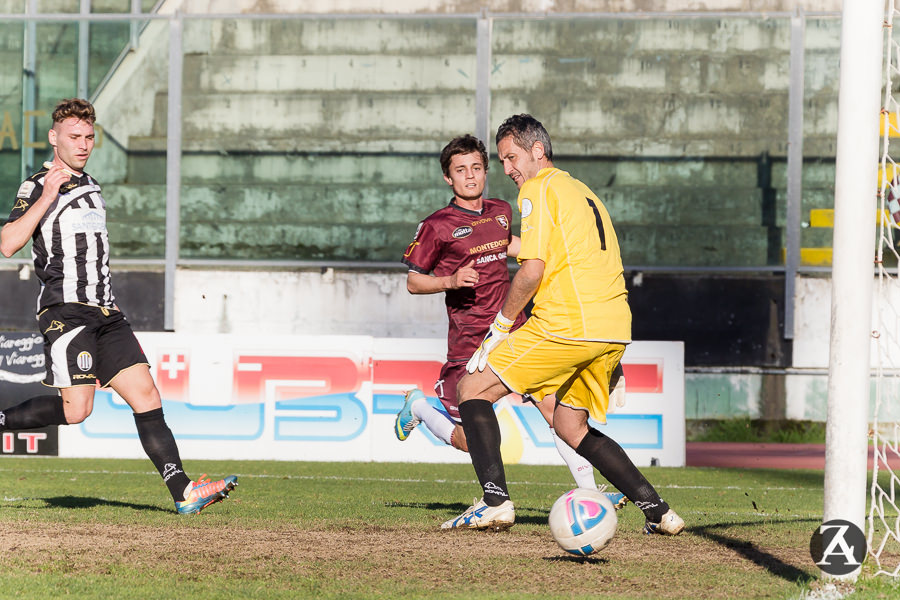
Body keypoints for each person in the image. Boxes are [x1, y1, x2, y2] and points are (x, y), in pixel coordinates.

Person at [442, 115, 684, 535]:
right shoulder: (581, 190)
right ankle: (659, 512)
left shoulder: (538, 189)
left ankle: (494, 501)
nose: (507, 169)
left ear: (538, 151)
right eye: (501, 161)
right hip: (612, 325)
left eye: (511, 157)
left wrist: (499, 327)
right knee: (570, 425)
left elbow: (532, 270)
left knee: (472, 387)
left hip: (566, 323)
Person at [0, 98, 237, 515]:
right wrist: (48, 194)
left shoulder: (92, 185)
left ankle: (183, 492)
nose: (84, 144)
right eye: (74, 137)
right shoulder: (36, 185)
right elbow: (7, 243)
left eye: (90, 137)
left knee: (146, 394)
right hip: (66, 310)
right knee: (78, 411)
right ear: (54, 138)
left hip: (107, 312)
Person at [394, 133, 626, 502]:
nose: (470, 176)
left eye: (476, 168)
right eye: (460, 170)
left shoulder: (501, 211)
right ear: (447, 178)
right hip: (470, 341)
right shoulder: (437, 225)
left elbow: (515, 246)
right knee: (471, 441)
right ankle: (421, 407)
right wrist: (450, 280)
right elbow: (412, 282)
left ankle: (590, 493)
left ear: (485, 172)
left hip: (514, 330)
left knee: (556, 413)